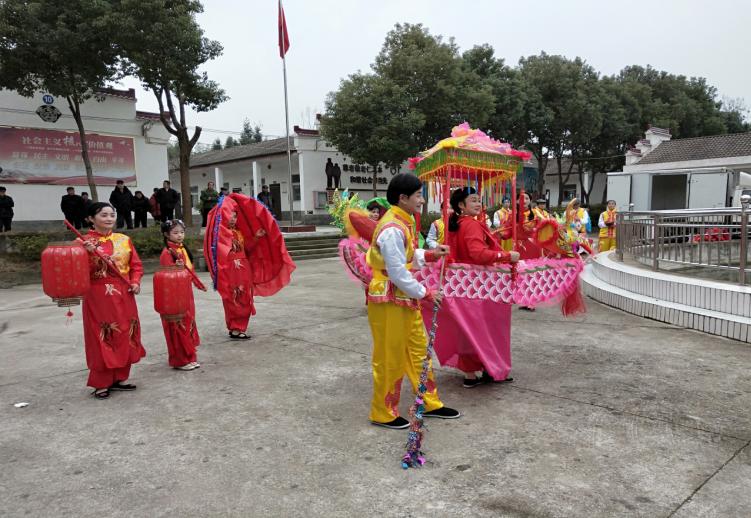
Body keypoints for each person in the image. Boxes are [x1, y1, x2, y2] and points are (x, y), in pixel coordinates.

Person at [365, 173, 459, 429]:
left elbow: (406, 254)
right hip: (389, 300)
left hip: (403, 298)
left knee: (419, 352)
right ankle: (383, 412)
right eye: (418, 195)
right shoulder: (392, 228)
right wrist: (426, 293)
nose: (422, 199)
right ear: (403, 198)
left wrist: (429, 254)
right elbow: (397, 272)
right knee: (390, 356)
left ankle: (429, 403)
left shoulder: (402, 221)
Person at [430, 187, 520, 388]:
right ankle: (490, 368)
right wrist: (506, 256)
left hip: (464, 286)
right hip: (481, 284)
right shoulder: (470, 224)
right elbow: (478, 254)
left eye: (479, 200)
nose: (478, 204)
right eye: (473, 200)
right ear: (461, 205)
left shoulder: (456, 224)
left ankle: (471, 373)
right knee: (490, 329)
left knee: (468, 330)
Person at [77, 202, 146, 399]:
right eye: (103, 215)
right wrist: (87, 254)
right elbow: (78, 273)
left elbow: (136, 265)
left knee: (126, 331)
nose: (109, 218)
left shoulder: (124, 239)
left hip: (125, 293)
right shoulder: (82, 242)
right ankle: (101, 382)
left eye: (111, 215)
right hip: (99, 295)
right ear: (91, 219)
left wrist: (135, 282)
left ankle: (120, 377)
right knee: (104, 334)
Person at [204, 193, 296, 340]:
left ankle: (239, 327)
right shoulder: (221, 234)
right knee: (232, 298)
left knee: (245, 297)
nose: (233, 219)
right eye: (230, 215)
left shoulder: (238, 232)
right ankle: (235, 327)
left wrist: (257, 237)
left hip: (244, 269)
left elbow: (246, 248)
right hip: (230, 271)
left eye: (235, 216)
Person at [159, 219, 207, 370]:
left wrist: (197, 283)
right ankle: (180, 359)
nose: (180, 235)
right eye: (175, 232)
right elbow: (167, 277)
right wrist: (176, 269)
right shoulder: (167, 252)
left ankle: (189, 355)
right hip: (175, 294)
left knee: (188, 322)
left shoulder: (181, 249)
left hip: (186, 292)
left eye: (182, 232)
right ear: (167, 235)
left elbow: (189, 271)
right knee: (177, 325)